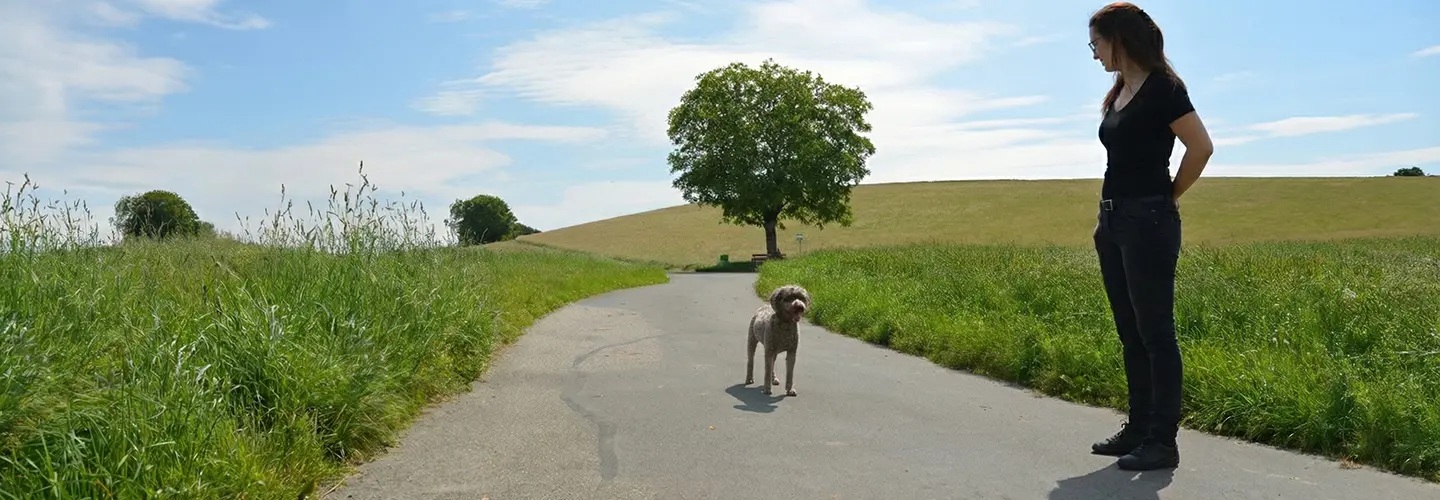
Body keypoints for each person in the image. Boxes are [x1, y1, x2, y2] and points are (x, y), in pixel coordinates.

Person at [1084, 2, 1213, 471]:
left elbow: (1201, 147)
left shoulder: (1164, 89)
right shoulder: (1120, 91)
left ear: (1119, 39)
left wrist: (1170, 196)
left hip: (1150, 222)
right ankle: (1138, 429)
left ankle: (1163, 442)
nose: (1094, 54)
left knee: (1157, 335)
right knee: (1130, 333)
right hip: (1113, 223)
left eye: (1096, 43)